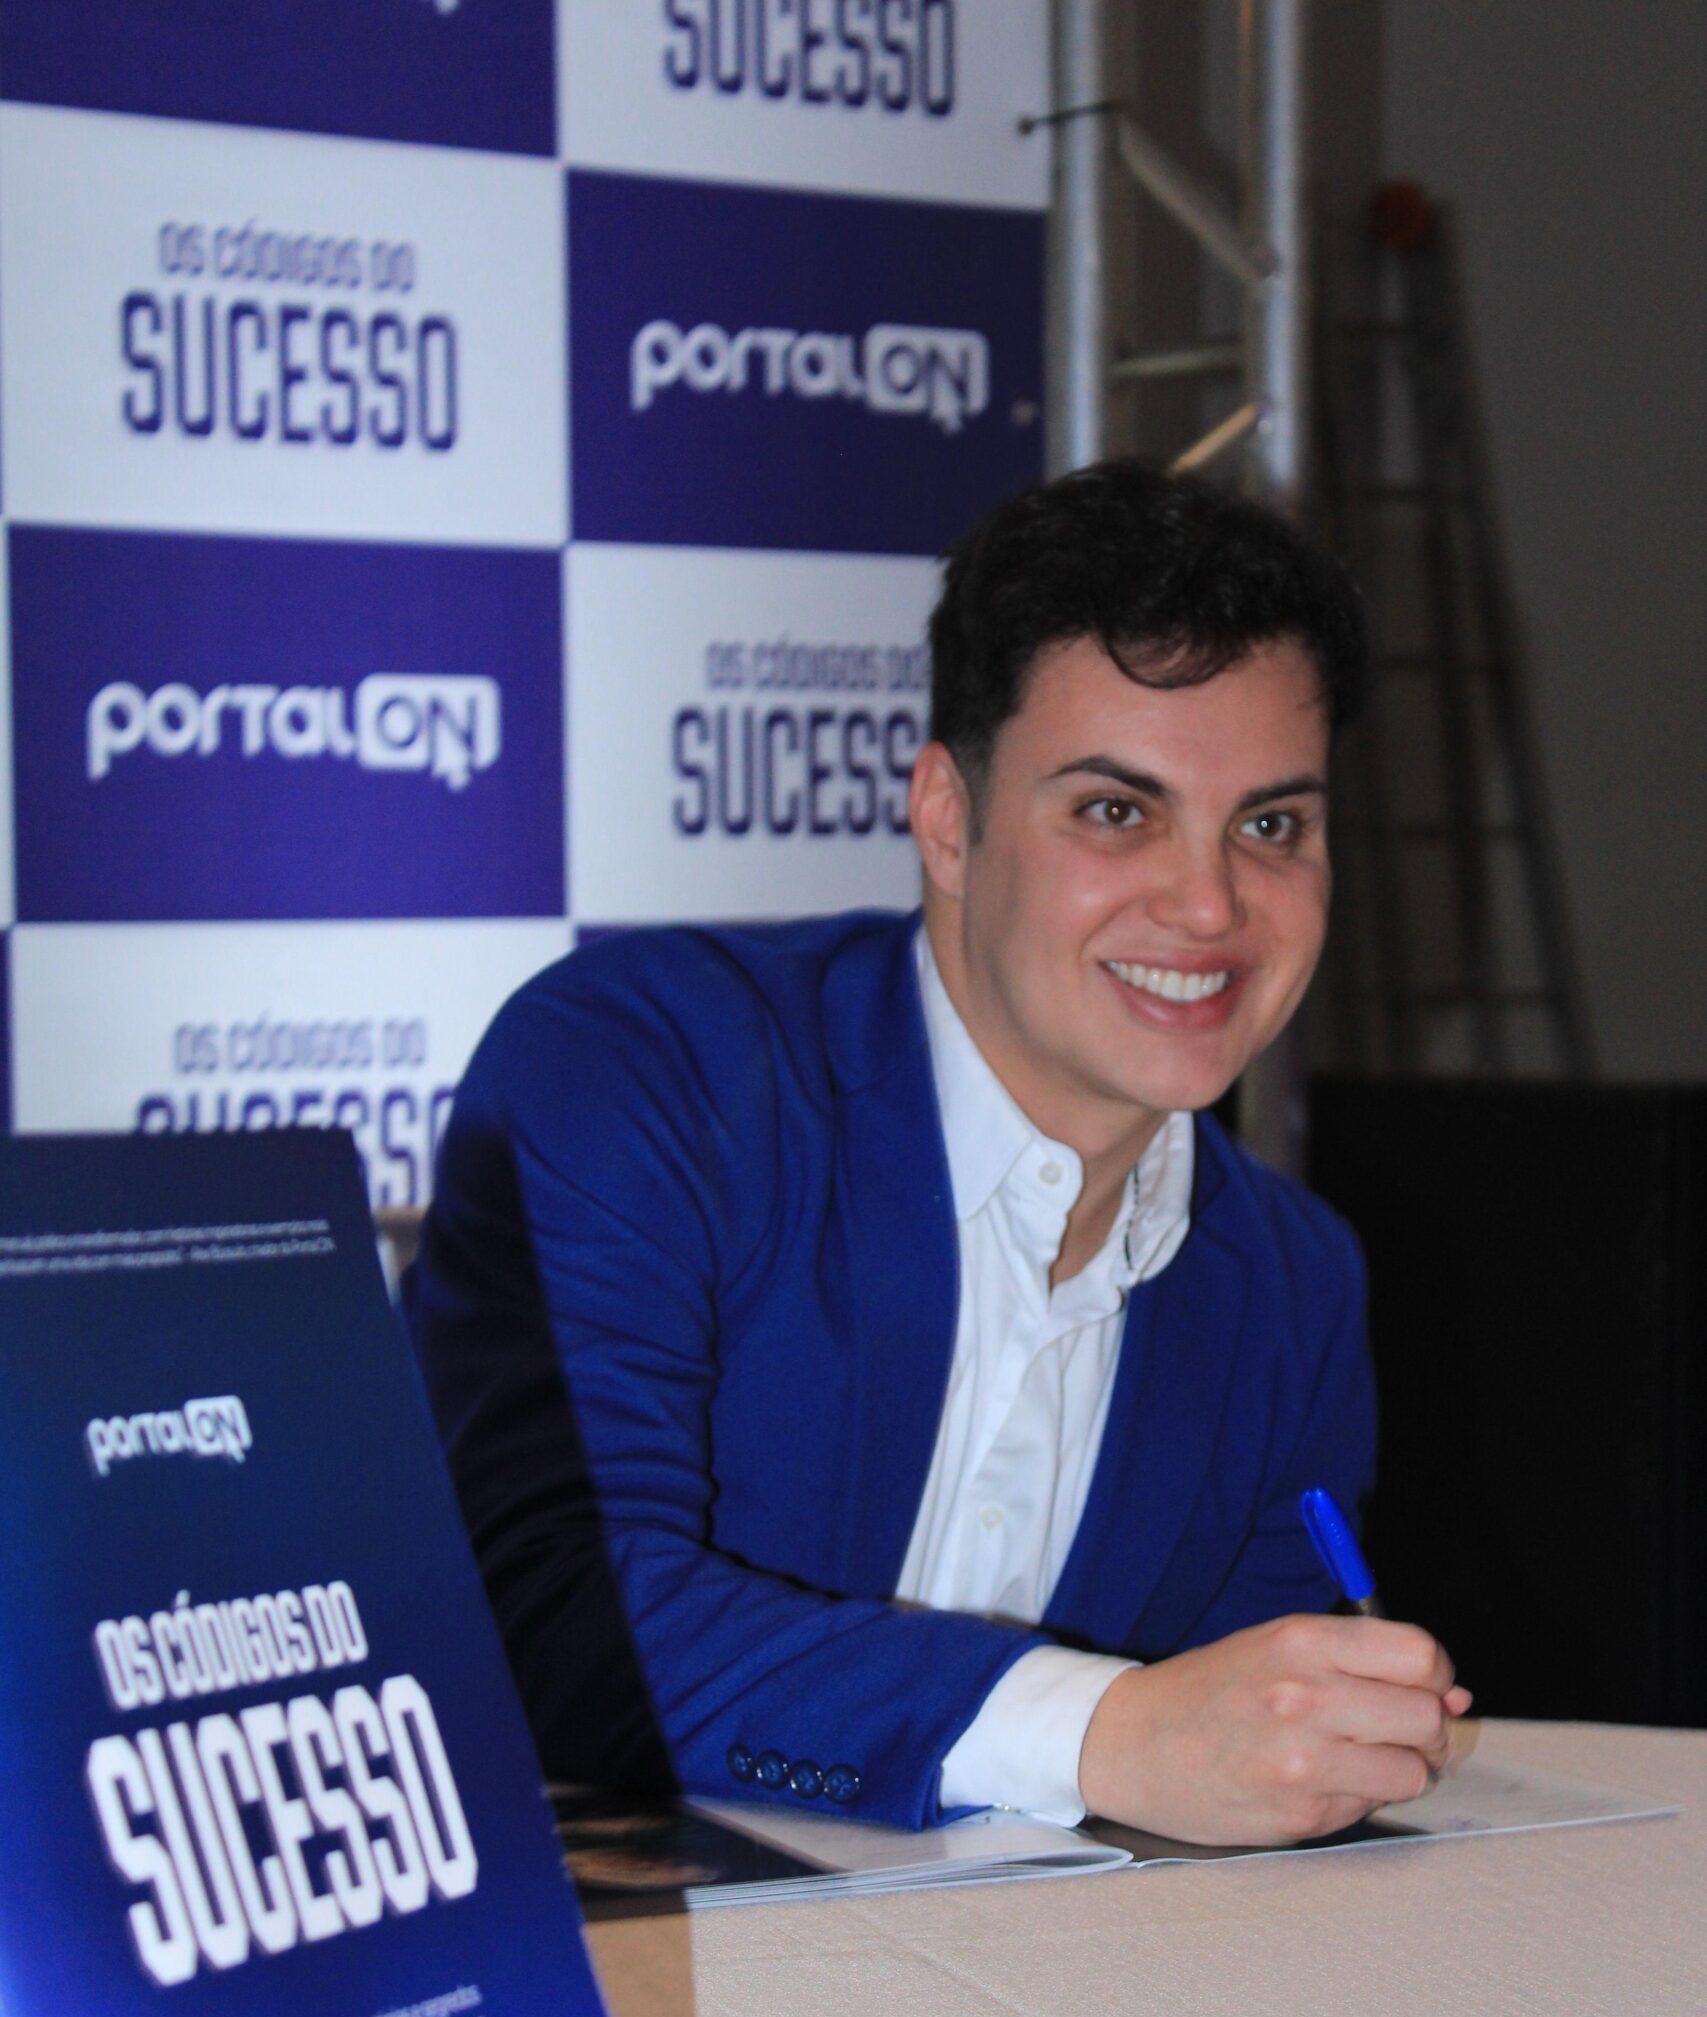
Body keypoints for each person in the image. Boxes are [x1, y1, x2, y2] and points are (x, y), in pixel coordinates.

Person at [408, 460, 1469, 1843]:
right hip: (610, 1961)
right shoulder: (644, 1070)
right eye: (1117, 810)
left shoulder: (1294, 1285)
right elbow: (542, 1611)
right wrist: (1099, 1731)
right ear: (949, 821)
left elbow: (1225, 1780)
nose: (1211, 905)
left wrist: (1322, 1738)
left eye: (1271, 826)